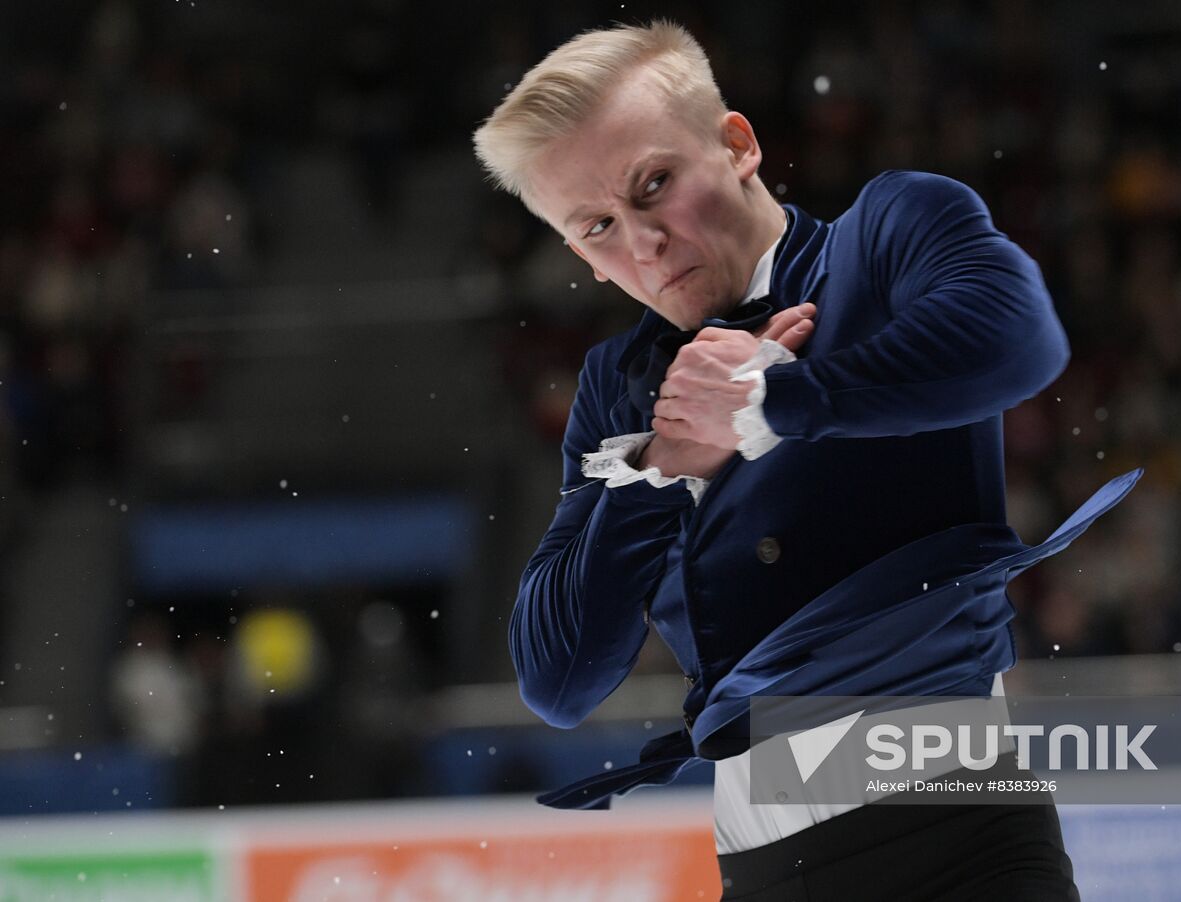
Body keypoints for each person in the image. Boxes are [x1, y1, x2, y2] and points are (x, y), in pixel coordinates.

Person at [473, 19, 1139, 900]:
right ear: (578, 256)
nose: (642, 244)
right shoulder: (620, 388)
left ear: (737, 144)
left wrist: (769, 403)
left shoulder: (890, 230)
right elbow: (559, 678)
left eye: (655, 184)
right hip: (766, 868)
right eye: (597, 226)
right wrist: (667, 465)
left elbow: (1020, 341)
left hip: (963, 836)